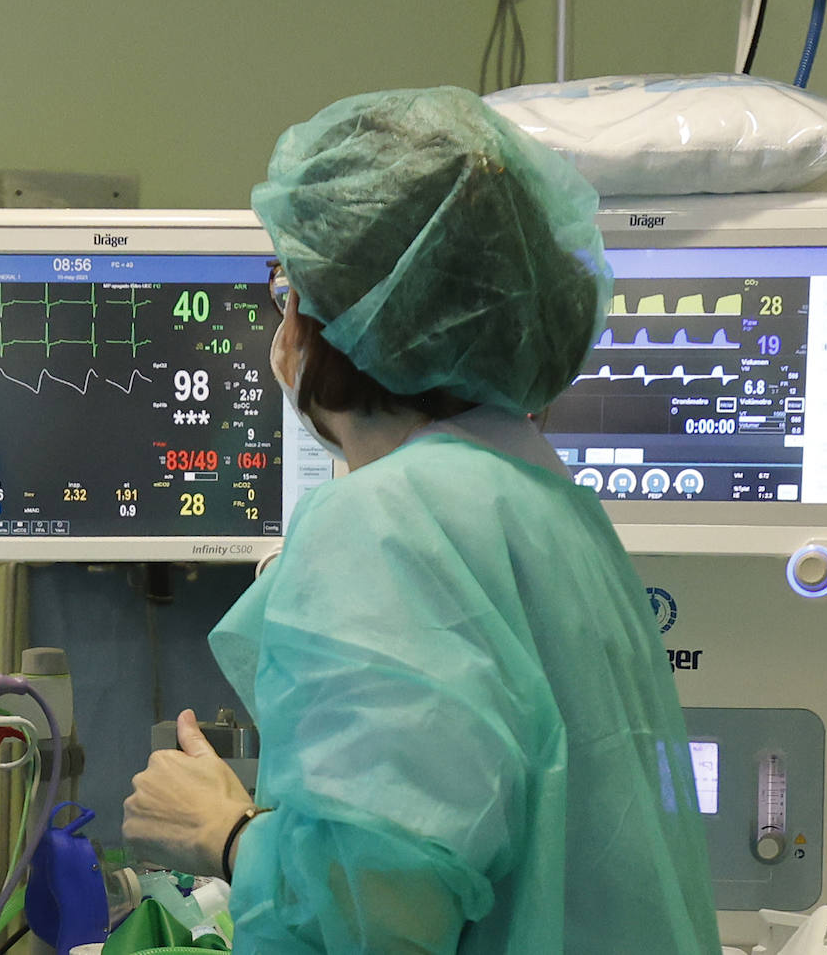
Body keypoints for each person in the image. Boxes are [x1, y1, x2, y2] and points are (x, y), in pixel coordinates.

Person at [123, 86, 721, 952]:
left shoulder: (387, 522)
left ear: (335, 321)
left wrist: (223, 834)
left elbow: (379, 916)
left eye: (289, 285)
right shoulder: (548, 510)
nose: (282, 318)